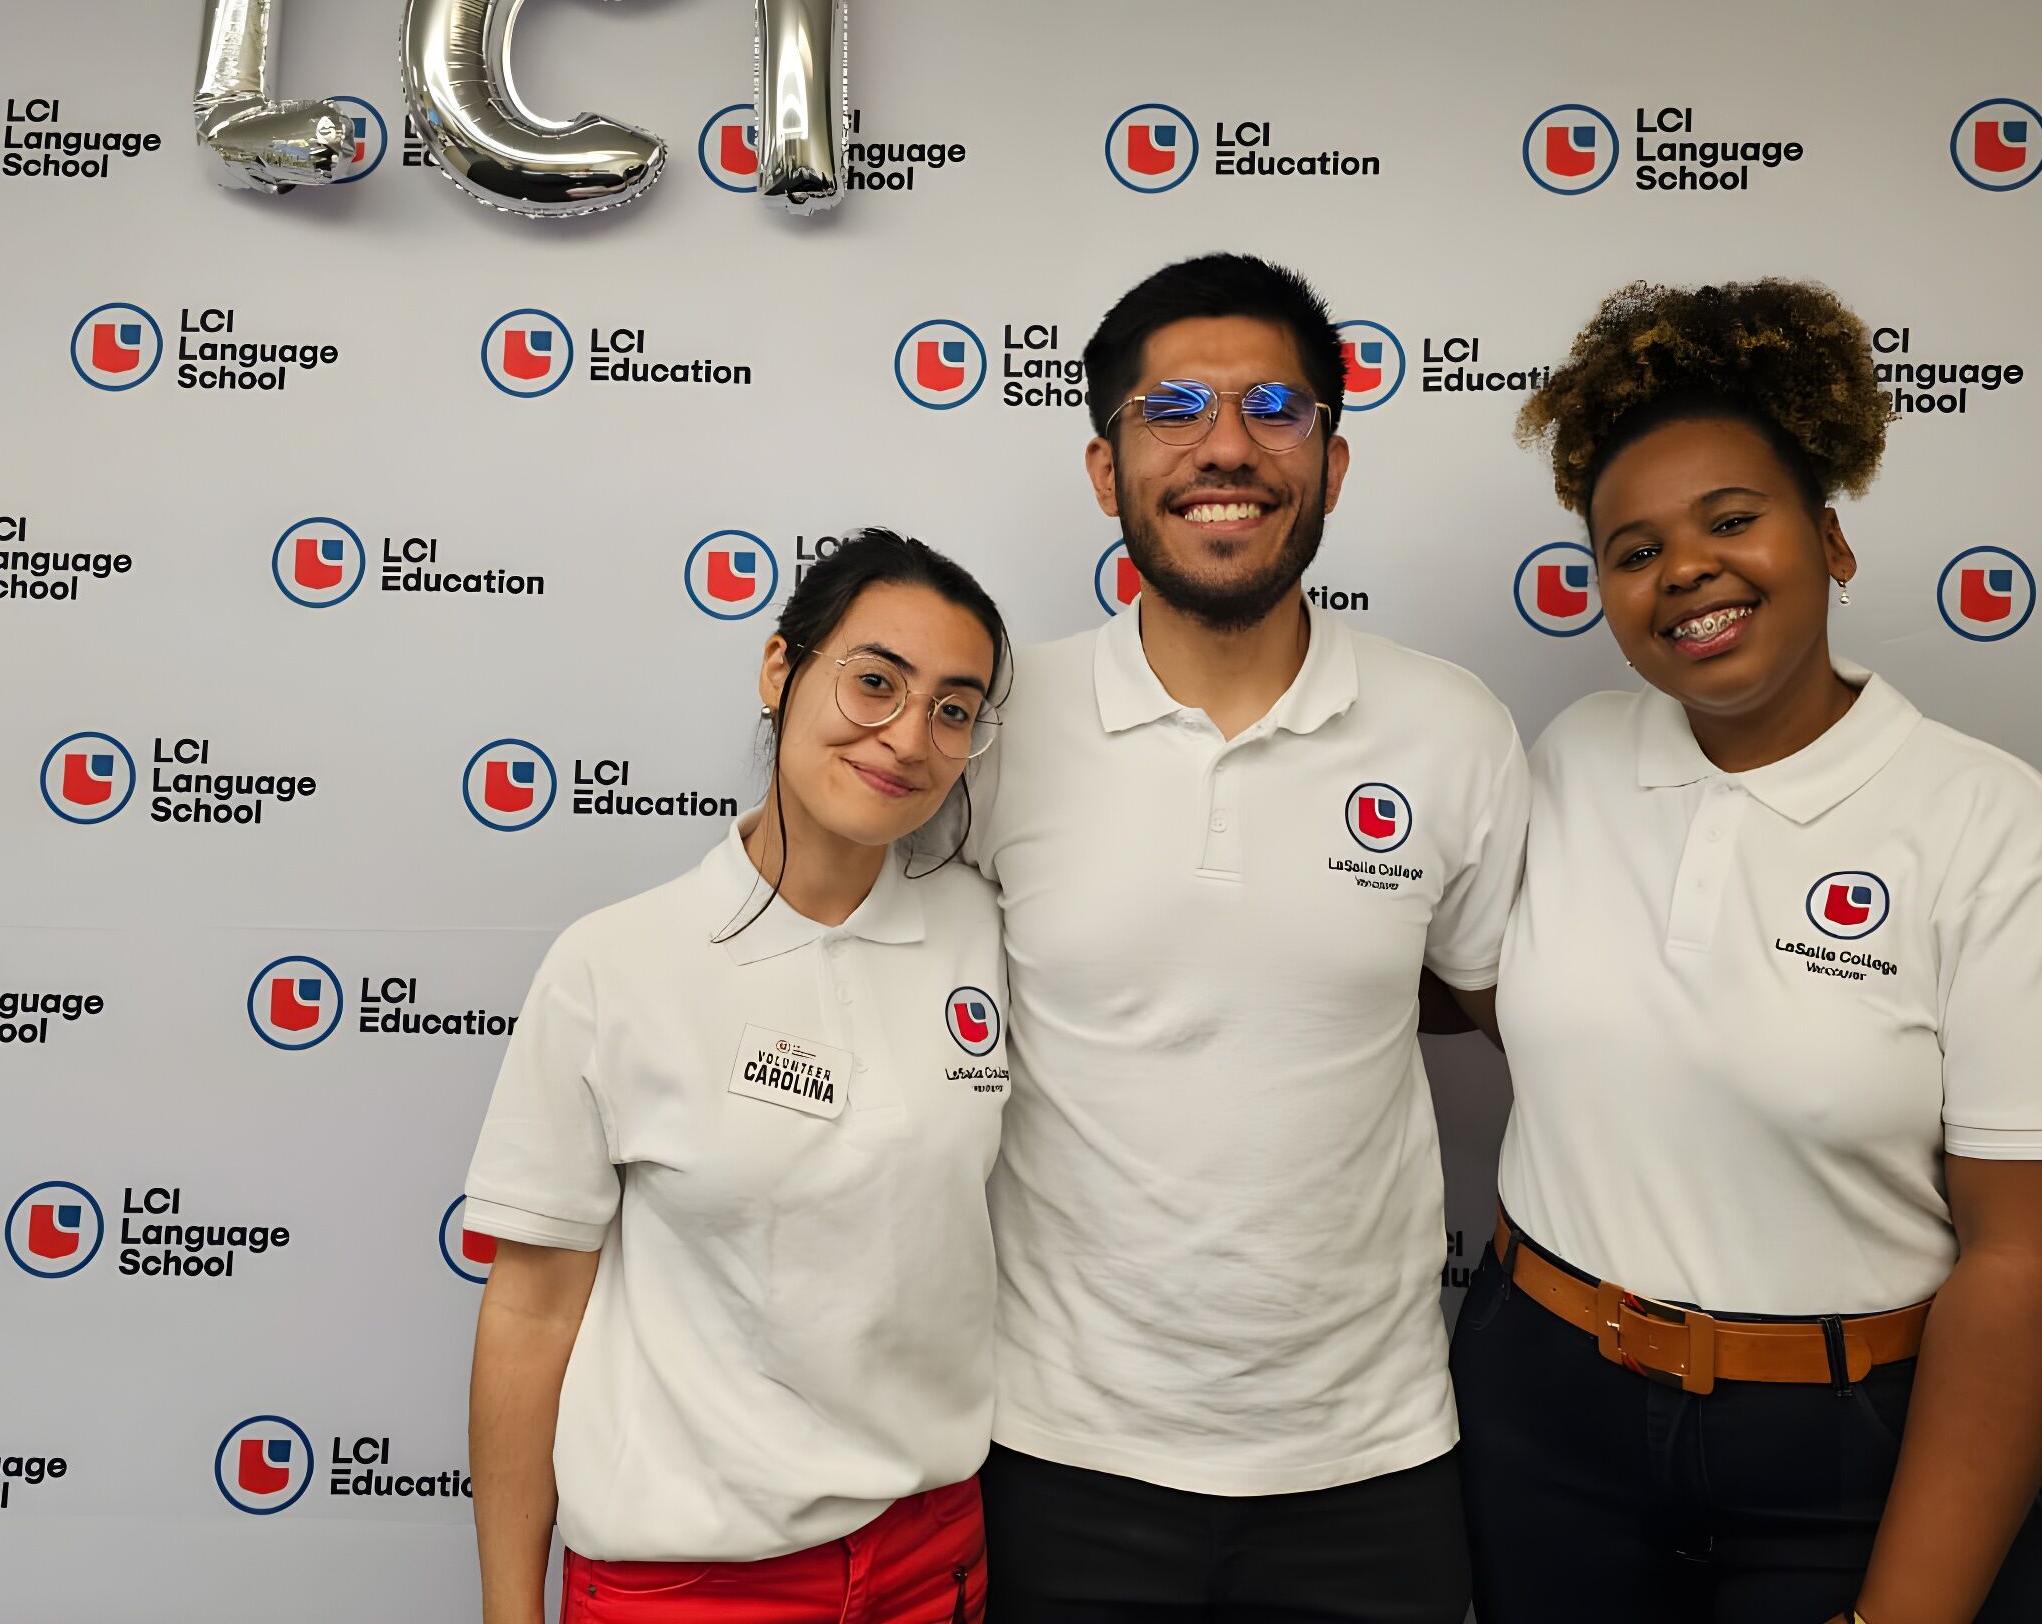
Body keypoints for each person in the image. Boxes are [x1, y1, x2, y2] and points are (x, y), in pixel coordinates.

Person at [1452, 278, 2042, 1623]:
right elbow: (1480, 980)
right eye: (1634, 550)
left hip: (1847, 1459)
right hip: (1543, 1418)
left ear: (1829, 540)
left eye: (1732, 520)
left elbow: (2038, 1258)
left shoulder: (1985, 826)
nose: (1686, 572)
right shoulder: (1575, 761)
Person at [968, 253, 1531, 1622]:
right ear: (1105, 471)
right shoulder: (989, 724)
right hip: (1053, 1453)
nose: (1228, 448)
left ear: (1333, 465)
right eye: (1172, 413)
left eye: (1277, 408)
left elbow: (1487, 1000)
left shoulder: (1449, 728)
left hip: (1374, 1462)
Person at [463, 528, 1014, 1624]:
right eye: (873, 683)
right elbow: (528, 1314)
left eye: (952, 710)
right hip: (686, 1585)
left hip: (932, 1558)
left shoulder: (989, 934)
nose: (906, 736)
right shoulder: (614, 964)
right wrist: (508, 1611)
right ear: (780, 670)